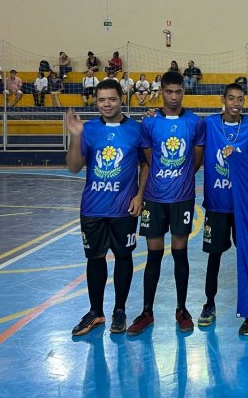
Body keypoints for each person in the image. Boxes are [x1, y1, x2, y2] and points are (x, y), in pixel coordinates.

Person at [65, 80, 148, 336]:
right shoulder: (88, 129)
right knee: (95, 258)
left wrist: (139, 195)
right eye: (101, 100)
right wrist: (76, 137)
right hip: (92, 207)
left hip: (123, 208)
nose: (106, 104)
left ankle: (119, 310)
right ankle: (96, 311)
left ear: (121, 98)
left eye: (111, 99)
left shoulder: (137, 129)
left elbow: (146, 164)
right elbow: (74, 166)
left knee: (124, 257)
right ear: (96, 101)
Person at [127, 71, 205, 336]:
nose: (174, 97)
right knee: (154, 255)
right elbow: (149, 160)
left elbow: (195, 161)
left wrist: (180, 178)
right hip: (154, 198)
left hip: (182, 198)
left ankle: (182, 309)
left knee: (180, 253)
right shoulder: (149, 123)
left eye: (178, 91)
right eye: (169, 91)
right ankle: (147, 311)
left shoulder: (195, 122)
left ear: (184, 91)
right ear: (161, 91)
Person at [198, 83, 248, 334]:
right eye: (231, 98)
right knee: (214, 257)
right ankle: (209, 303)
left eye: (240, 99)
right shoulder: (209, 124)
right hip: (217, 204)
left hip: (245, 206)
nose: (235, 103)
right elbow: (182, 132)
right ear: (223, 99)